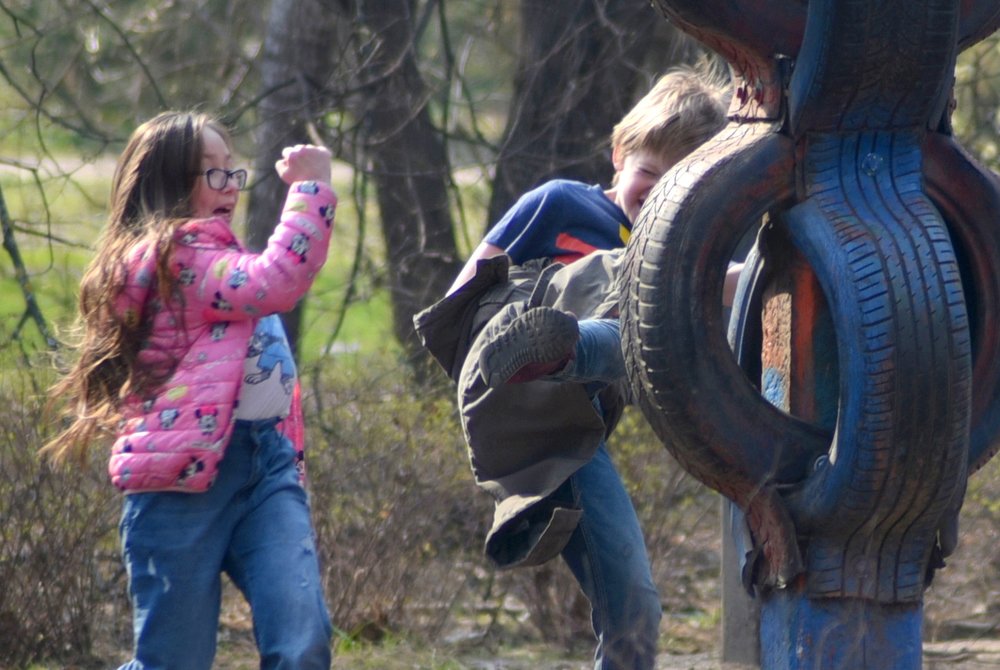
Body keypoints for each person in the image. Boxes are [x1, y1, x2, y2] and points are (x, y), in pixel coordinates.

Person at [415, 65, 730, 670]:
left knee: (635, 608)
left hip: (570, 434)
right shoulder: (561, 203)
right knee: (637, 271)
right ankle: (550, 342)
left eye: (678, 188)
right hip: (501, 372)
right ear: (618, 154)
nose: (657, 194)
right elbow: (462, 297)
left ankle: (567, 347)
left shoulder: (680, 247)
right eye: (649, 175)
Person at [41, 111, 337, 670]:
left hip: (265, 472)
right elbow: (280, 279)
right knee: (172, 662)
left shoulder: (219, 261)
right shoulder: (177, 261)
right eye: (211, 173)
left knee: (302, 641)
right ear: (170, 185)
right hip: (179, 484)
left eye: (232, 171)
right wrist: (311, 189)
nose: (229, 186)